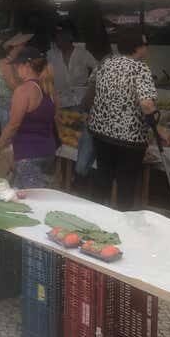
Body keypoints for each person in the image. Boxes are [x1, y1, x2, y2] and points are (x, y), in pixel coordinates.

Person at [86, 29, 158, 211]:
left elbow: (91, 91)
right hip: (129, 138)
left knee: (103, 176)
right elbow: (147, 105)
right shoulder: (140, 68)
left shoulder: (105, 63)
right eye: (145, 45)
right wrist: (157, 128)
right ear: (137, 48)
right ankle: (122, 219)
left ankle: (97, 214)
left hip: (101, 132)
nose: (147, 49)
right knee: (126, 181)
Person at [0, 46, 59, 189]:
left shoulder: (24, 90)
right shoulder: (49, 89)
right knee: (39, 195)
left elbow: (13, 125)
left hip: (28, 154)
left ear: (27, 65)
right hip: (48, 151)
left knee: (28, 200)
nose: (16, 70)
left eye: (18, 66)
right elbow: (56, 117)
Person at [47, 28, 98, 109]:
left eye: (62, 38)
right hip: (60, 101)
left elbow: (98, 68)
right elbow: (46, 76)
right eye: (57, 39)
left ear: (69, 39)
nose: (58, 42)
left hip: (80, 101)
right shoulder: (51, 55)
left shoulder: (82, 53)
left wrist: (90, 83)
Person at [0, 32, 33, 129]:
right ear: (15, 45)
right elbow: (13, 85)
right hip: (8, 108)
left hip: (15, 106)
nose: (25, 46)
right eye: (23, 44)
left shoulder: (15, 62)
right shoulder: (6, 62)